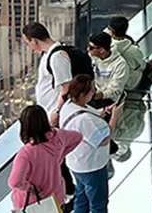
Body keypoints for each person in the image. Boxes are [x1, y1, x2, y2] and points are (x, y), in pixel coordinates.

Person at [50, 76, 117, 213]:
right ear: (82, 94)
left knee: (82, 198)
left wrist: (103, 112)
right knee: (98, 203)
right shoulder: (84, 120)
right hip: (91, 167)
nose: (94, 92)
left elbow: (88, 116)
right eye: (92, 90)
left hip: (76, 163)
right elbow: (103, 141)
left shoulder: (69, 106)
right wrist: (115, 117)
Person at [7, 104, 82, 210]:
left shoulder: (26, 153)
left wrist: (29, 188)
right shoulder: (58, 136)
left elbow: (14, 182)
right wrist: (59, 157)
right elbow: (78, 137)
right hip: (56, 198)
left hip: (33, 204)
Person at [22, 23, 79, 112]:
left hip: (54, 110)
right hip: (48, 109)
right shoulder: (47, 54)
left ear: (34, 41)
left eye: (27, 43)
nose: (28, 47)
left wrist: (57, 112)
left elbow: (66, 87)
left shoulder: (57, 56)